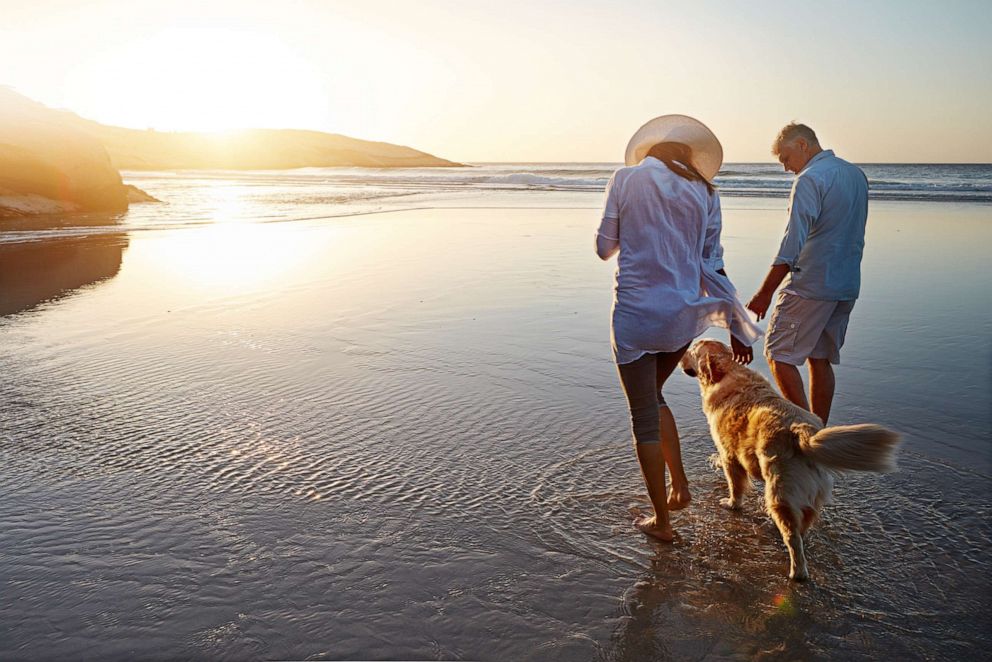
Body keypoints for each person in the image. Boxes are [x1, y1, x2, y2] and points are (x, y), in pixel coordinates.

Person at [596, 115, 762, 542]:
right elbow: (713, 263)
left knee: (643, 417)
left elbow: (603, 249)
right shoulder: (706, 192)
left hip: (636, 316)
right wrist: (736, 323)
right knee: (653, 397)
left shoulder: (625, 179)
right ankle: (681, 487)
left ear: (647, 150)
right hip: (682, 320)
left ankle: (663, 523)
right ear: (690, 157)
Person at [746, 123, 869, 425]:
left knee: (778, 355)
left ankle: (807, 432)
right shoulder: (856, 175)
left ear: (802, 144)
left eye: (785, 158)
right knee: (820, 358)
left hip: (811, 284)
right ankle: (821, 434)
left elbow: (792, 243)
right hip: (846, 284)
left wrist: (765, 292)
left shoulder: (809, 179)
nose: (786, 168)